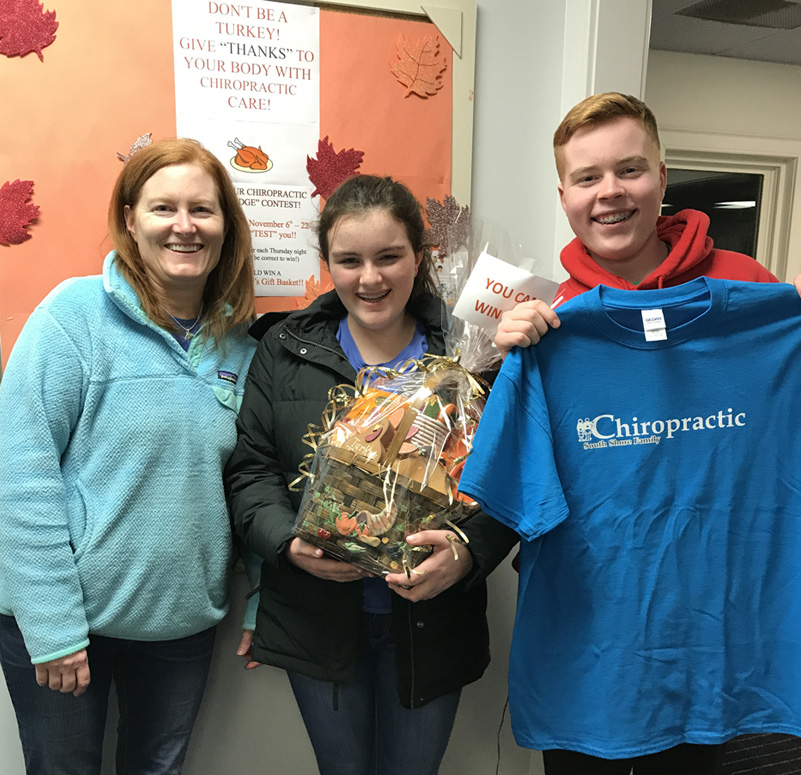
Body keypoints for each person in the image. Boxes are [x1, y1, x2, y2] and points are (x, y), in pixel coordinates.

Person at [485, 93, 797, 774]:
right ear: (563, 193)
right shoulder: (551, 322)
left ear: (662, 174)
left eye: (628, 170)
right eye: (588, 177)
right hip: (594, 651)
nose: (609, 193)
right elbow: (513, 496)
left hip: (719, 646)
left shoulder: (753, 297)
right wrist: (503, 362)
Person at [225, 175, 511, 775]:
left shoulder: (470, 353)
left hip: (433, 622)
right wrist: (288, 543)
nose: (370, 278)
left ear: (420, 257)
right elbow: (251, 472)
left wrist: (464, 554)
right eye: (349, 260)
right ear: (327, 262)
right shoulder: (285, 349)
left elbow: (509, 479)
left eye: (389, 257)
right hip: (317, 617)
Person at [0, 137, 257, 775]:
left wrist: (263, 601)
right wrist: (54, 628)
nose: (184, 226)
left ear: (226, 225)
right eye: (163, 208)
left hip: (180, 627)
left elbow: (252, 485)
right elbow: (19, 473)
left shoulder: (241, 350)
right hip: (66, 623)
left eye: (203, 209)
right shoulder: (73, 316)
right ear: (130, 220)